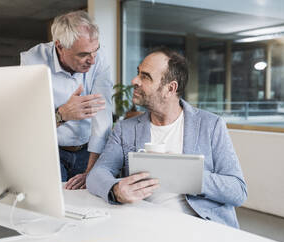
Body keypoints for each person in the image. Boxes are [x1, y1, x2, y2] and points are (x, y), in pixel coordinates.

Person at [86, 47, 247, 228]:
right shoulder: (126, 128)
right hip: (147, 224)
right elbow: (97, 174)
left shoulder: (211, 125)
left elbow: (237, 191)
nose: (134, 80)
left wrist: (189, 175)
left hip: (201, 225)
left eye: (145, 76)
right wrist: (116, 190)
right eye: (138, 73)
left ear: (170, 88)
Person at [20, 10, 113, 188]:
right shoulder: (33, 61)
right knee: (57, 207)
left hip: (88, 150)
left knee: (88, 202)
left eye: (95, 51)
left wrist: (92, 171)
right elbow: (28, 125)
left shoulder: (98, 58)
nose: (92, 61)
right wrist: (62, 114)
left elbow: (103, 117)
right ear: (60, 46)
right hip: (48, 151)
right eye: (83, 54)